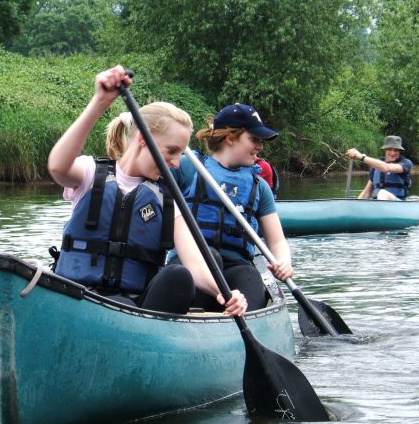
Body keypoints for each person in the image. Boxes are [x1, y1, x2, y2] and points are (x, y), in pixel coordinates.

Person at [47, 65, 248, 316]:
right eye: (171, 151)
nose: (176, 163)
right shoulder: (89, 174)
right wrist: (100, 101)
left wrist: (224, 293)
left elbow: (195, 263)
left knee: (179, 276)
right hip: (75, 299)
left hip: (132, 311)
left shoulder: (166, 200)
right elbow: (57, 166)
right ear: (143, 139)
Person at [169, 103, 294, 312]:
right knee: (211, 257)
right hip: (188, 262)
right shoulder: (187, 167)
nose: (260, 147)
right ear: (230, 138)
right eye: (254, 139)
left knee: (250, 276)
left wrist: (283, 262)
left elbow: (277, 240)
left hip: (237, 266)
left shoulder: (259, 186)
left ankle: (240, 323)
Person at [346, 135, 413, 200]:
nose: (393, 153)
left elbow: (386, 168)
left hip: (399, 203)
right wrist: (355, 205)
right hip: (378, 204)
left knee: (382, 193)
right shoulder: (376, 166)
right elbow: (367, 192)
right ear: (385, 150)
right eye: (389, 149)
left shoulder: (406, 163)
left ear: (399, 151)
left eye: (396, 150)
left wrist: (361, 157)